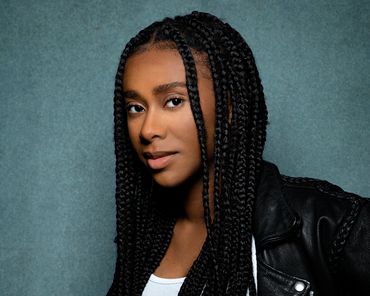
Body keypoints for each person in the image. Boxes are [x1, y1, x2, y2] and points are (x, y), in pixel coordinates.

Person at [107, 11, 370, 296]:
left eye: (173, 101)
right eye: (136, 107)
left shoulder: (331, 224)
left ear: (228, 107)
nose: (147, 130)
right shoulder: (142, 236)